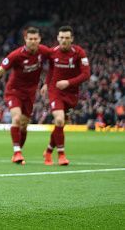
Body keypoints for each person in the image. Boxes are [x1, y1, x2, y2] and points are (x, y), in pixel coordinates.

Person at [0, 27, 51, 164]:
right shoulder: (16, 55)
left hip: (30, 94)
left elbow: (55, 61)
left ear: (39, 39)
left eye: (35, 39)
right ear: (25, 39)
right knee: (16, 118)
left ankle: (18, 152)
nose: (33, 42)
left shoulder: (44, 52)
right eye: (30, 39)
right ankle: (17, 152)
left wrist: (47, 83)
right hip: (14, 91)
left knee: (24, 125)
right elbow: (0, 70)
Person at [41, 26, 90, 166]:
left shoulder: (79, 53)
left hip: (72, 93)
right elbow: (51, 69)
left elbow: (86, 74)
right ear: (57, 38)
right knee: (60, 119)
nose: (64, 40)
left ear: (72, 39)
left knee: (60, 125)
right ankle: (61, 155)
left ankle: (48, 150)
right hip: (55, 90)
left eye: (67, 38)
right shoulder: (52, 52)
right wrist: (46, 84)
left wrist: (68, 82)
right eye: (61, 38)